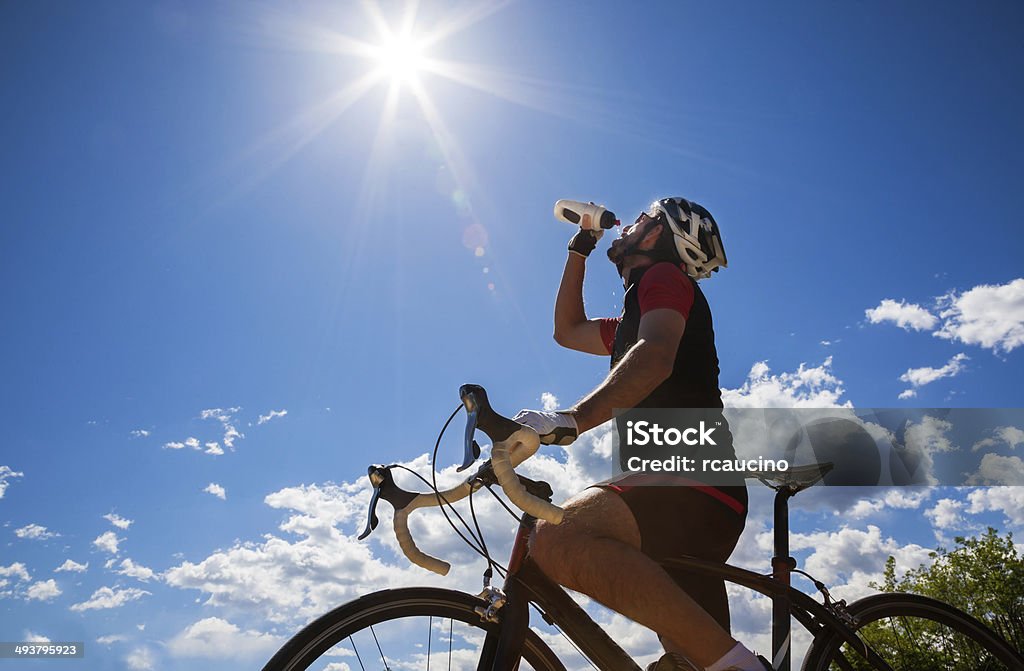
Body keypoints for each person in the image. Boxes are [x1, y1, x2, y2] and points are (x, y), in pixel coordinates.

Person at [513, 198, 769, 671]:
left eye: (643, 219)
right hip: (684, 493)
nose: (628, 225)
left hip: (691, 478)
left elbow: (654, 357)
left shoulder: (665, 278)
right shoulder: (636, 316)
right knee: (693, 662)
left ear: (660, 236)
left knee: (556, 537)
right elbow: (567, 331)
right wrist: (581, 245)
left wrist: (573, 419)